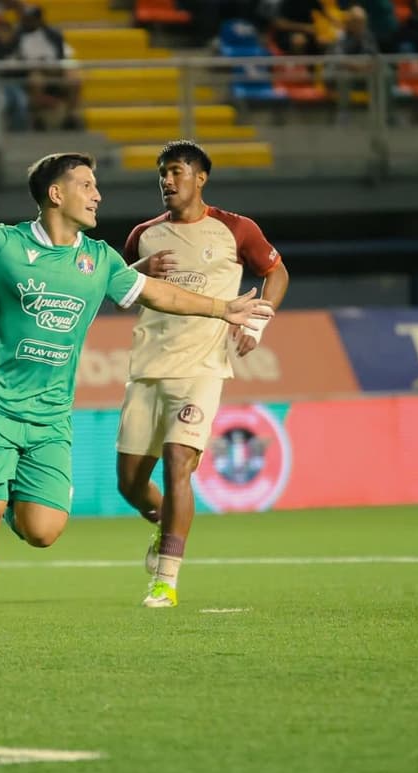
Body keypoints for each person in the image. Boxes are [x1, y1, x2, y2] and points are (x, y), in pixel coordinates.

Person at [0, 152, 274, 650]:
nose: (98, 194)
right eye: (87, 184)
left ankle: (11, 498)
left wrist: (222, 308)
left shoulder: (99, 260)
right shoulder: (1, 244)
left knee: (43, 531)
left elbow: (158, 295)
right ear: (56, 195)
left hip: (51, 416)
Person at [117, 140, 289, 608]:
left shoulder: (236, 229)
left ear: (200, 177)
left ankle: (166, 580)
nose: (167, 182)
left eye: (175, 172)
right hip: (148, 369)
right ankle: (164, 525)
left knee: (179, 464)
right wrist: (139, 268)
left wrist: (257, 320)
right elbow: (118, 288)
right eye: (162, 174)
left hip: (202, 368)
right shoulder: (143, 235)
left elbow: (277, 274)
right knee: (129, 484)